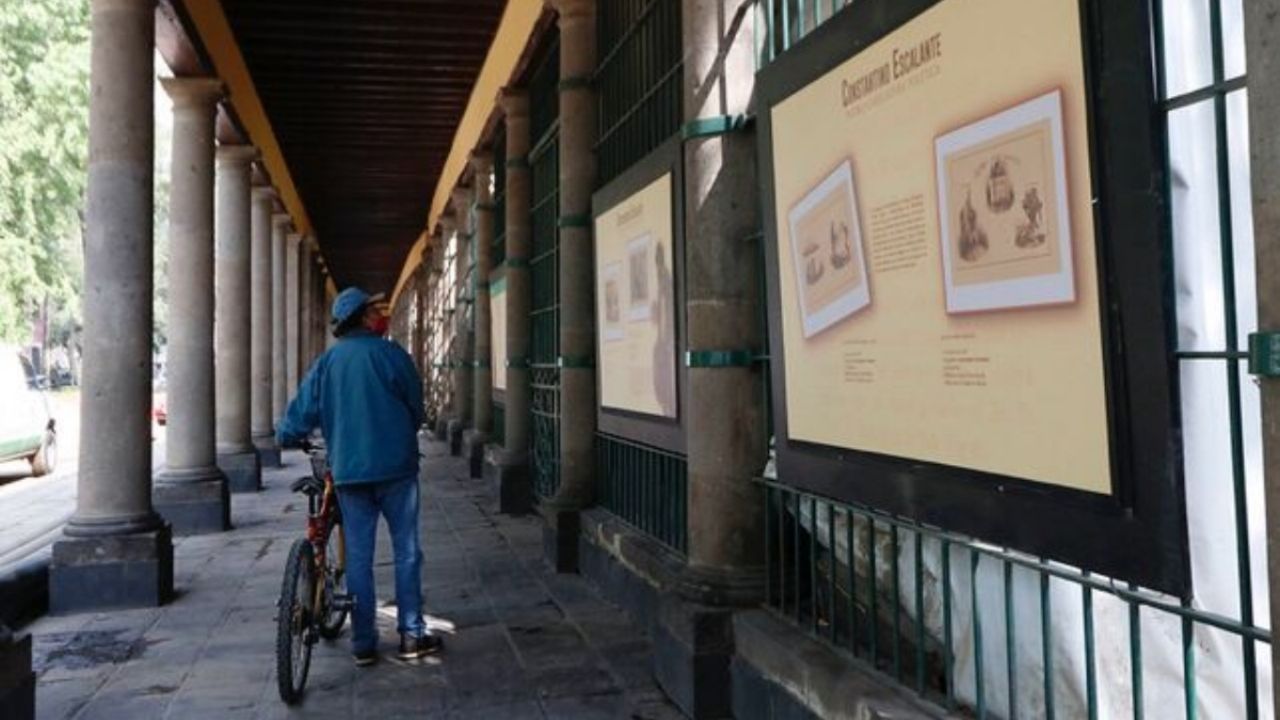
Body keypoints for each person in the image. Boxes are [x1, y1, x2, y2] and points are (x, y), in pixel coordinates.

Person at [277, 286, 440, 666]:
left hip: (349, 473)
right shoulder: (391, 354)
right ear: (364, 318)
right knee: (407, 553)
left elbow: (298, 415)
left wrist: (288, 435)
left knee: (360, 559)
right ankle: (411, 635)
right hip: (397, 470)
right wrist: (406, 427)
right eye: (372, 310)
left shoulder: (327, 364)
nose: (377, 315)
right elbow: (416, 404)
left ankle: (363, 642)